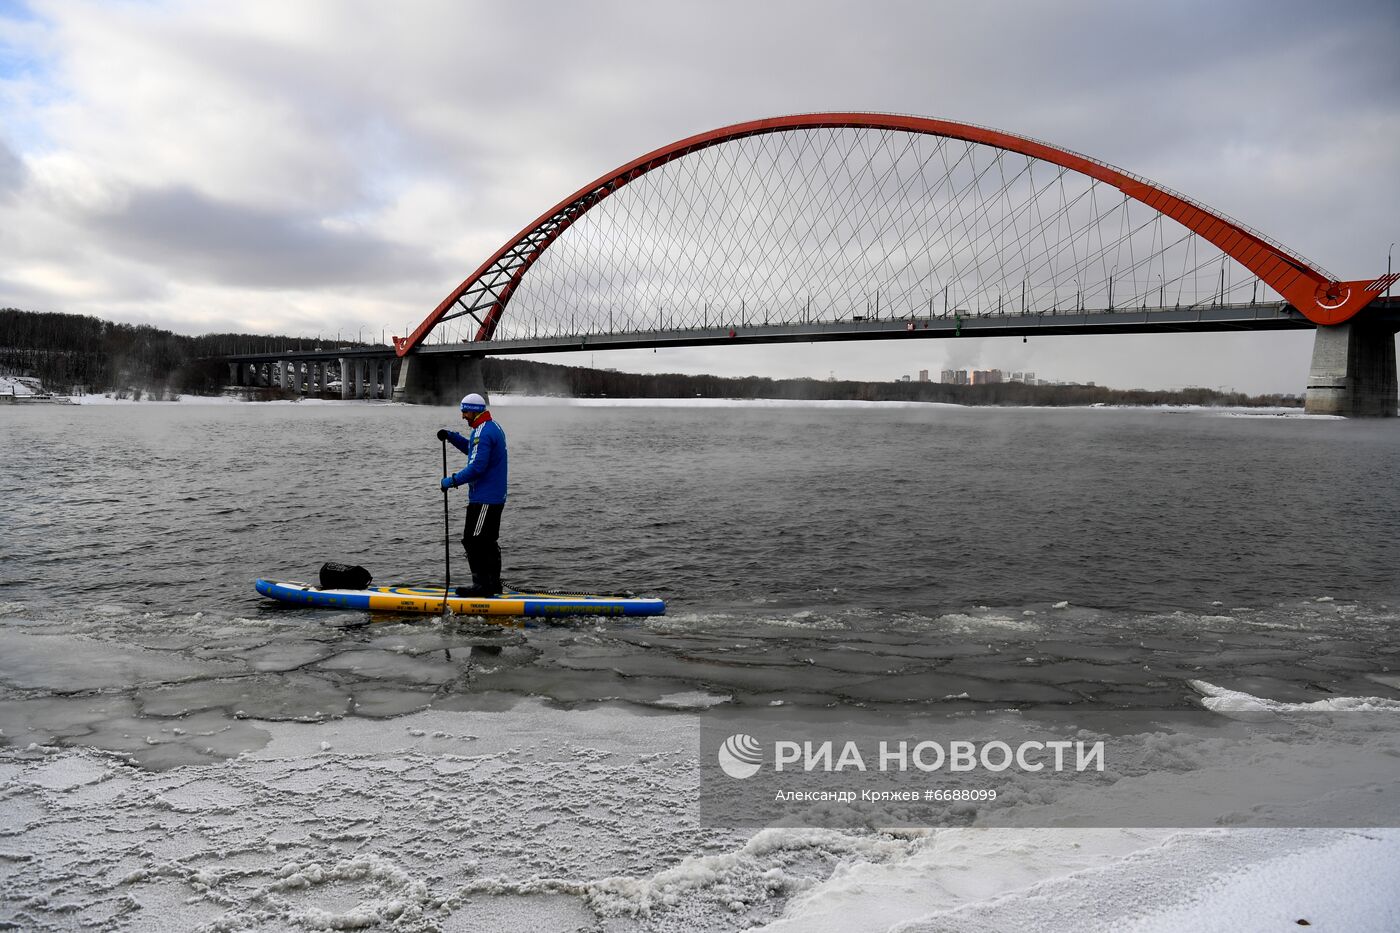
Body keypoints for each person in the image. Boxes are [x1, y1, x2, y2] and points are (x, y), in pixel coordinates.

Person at [437, 392, 508, 597]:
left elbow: (477, 467)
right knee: (486, 541)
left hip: (485, 498)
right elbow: (473, 450)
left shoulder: (483, 432)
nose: (463, 416)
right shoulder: (490, 427)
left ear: (475, 411)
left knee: (474, 540)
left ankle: (483, 586)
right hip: (493, 496)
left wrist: (451, 481)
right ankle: (492, 585)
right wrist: (452, 437)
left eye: (465, 412)